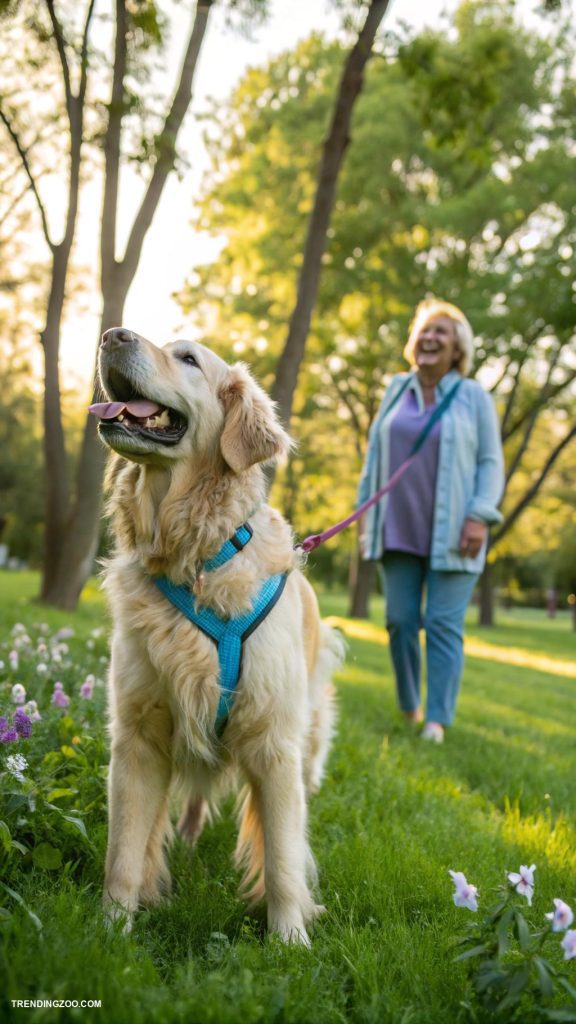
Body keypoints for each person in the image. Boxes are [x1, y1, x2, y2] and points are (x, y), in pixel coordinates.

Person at [357, 299, 505, 743]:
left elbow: (490, 461)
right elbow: (373, 459)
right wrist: (365, 514)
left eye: (442, 332)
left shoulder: (473, 396)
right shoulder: (395, 389)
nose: (430, 338)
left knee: (442, 625)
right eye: (424, 330)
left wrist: (480, 515)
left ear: (458, 348)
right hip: (396, 526)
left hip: (454, 531)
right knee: (400, 621)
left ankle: (437, 720)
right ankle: (409, 706)